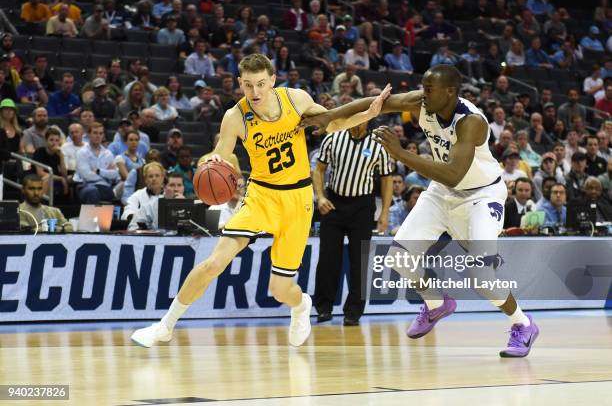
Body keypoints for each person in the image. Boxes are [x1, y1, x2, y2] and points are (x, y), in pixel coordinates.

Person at [130, 53, 388, 349]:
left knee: (280, 290)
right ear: (240, 83)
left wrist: (369, 114)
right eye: (248, 85)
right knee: (214, 263)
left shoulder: (297, 100)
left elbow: (333, 123)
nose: (254, 92)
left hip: (298, 199)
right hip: (260, 196)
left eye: (261, 84)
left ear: (273, 81)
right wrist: (215, 160)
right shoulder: (235, 116)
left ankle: (301, 304)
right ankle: (165, 326)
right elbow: (221, 152)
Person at [302, 64, 540, 357]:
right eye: (423, 87)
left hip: (481, 195)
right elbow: (376, 104)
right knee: (399, 257)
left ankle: (523, 324)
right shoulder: (422, 102)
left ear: (450, 92)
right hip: (442, 193)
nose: (422, 94)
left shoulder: (471, 122)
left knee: (482, 276)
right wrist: (330, 115)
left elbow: (453, 173)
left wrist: (401, 154)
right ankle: (436, 303)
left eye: (429, 89)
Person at [312, 120, 392, 326]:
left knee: (360, 261)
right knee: (328, 258)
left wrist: (384, 212)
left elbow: (386, 179)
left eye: (361, 116)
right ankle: (323, 308)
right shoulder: (333, 138)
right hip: (334, 203)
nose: (357, 120)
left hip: (363, 207)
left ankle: (353, 312)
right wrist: (320, 197)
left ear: (367, 119)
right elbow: (319, 169)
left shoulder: (378, 145)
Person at [74, 122, 119, 203]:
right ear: (89, 134)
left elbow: (115, 175)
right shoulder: (81, 153)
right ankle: (91, 216)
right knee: (93, 192)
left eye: (101, 133)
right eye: (95, 133)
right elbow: (87, 176)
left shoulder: (108, 154)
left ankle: (102, 215)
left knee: (110, 192)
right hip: (86, 186)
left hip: (105, 188)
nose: (98, 136)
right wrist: (107, 175)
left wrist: (99, 171)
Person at [32, 127, 69, 197]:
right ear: (46, 140)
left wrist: (61, 156)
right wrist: (60, 178)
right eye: (51, 140)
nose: (54, 143)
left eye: (57, 140)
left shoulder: (59, 154)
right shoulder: (39, 152)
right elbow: (40, 173)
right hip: (40, 179)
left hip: (54, 179)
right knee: (46, 179)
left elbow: (64, 174)